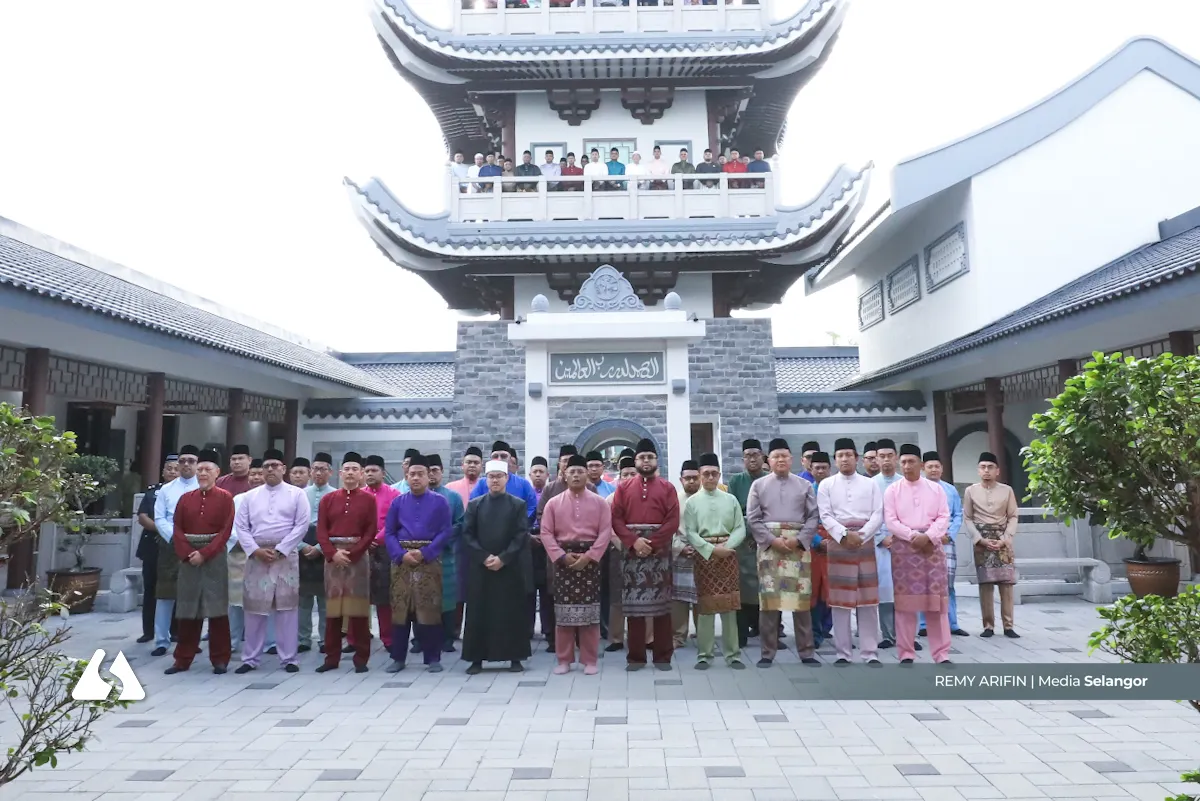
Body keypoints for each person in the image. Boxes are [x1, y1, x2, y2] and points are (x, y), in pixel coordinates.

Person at [233, 449, 309, 674]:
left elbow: (302, 524)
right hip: (257, 556)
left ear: (283, 469)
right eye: (266, 466)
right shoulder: (249, 496)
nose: (270, 470)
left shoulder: (297, 494)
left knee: (287, 608)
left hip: (285, 556)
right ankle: (250, 658)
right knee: (254, 608)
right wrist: (255, 550)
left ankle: (289, 659)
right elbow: (241, 527)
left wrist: (282, 549)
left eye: (275, 465)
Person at [747, 438, 820, 668]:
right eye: (776, 456)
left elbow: (813, 517)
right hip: (770, 549)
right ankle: (767, 652)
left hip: (797, 548)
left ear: (791, 459)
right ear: (768, 460)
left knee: (801, 601)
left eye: (784, 456)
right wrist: (772, 540)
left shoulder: (804, 485)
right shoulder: (758, 485)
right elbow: (753, 518)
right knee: (769, 602)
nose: (780, 460)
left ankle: (806, 652)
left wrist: (799, 540)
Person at [611, 438, 680, 670]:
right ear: (636, 461)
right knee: (634, 607)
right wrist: (633, 542)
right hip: (632, 554)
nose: (646, 461)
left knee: (662, 607)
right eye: (642, 457)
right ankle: (636, 657)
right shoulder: (623, 488)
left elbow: (672, 521)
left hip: (659, 552)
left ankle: (662, 657)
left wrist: (651, 542)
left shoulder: (667, 488)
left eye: (650, 457)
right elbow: (616, 519)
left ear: (656, 461)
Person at [540, 454, 612, 674]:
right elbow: (546, 533)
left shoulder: (600, 502)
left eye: (580, 471)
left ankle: (590, 660)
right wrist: (561, 556)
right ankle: (564, 660)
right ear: (565, 474)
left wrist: (590, 556)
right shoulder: (553, 503)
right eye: (572, 472)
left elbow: (605, 532)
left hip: (590, 561)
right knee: (563, 614)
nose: (577, 475)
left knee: (590, 613)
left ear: (587, 475)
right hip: (563, 561)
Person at [383, 453, 454, 673]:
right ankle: (398, 657)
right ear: (407, 475)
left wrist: (426, 552)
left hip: (429, 561)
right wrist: (399, 554)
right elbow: (389, 532)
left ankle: (432, 657)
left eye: (420, 474)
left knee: (429, 609)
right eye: (412, 474)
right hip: (402, 561)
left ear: (428, 476)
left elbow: (446, 532)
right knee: (400, 610)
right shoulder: (397, 502)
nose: (416, 478)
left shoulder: (440, 502)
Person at [165, 449, 234, 675]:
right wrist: (187, 553)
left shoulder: (225, 498)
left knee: (217, 609)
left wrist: (205, 553)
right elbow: (177, 528)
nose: (203, 473)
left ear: (217, 473)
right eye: (200, 469)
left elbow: (226, 530)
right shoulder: (185, 499)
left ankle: (220, 658)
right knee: (187, 609)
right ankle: (182, 658)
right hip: (188, 559)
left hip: (214, 557)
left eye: (207, 469)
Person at [816, 438, 884, 664]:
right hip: (839, 543)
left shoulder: (870, 484)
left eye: (848, 454)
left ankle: (869, 653)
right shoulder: (826, 485)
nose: (844, 459)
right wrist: (845, 535)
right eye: (840, 455)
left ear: (856, 457)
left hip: (864, 542)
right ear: (835, 460)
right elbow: (825, 515)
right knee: (840, 601)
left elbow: (878, 514)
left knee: (868, 601)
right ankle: (842, 654)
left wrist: (861, 535)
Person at [883, 444, 952, 664]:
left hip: (932, 548)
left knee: (936, 605)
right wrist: (913, 535)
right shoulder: (892, 490)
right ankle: (906, 653)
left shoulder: (936, 489)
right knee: (905, 605)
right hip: (905, 549)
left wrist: (929, 536)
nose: (906, 466)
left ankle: (941, 654)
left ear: (921, 465)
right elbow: (890, 520)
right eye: (902, 462)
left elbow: (944, 517)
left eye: (911, 461)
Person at [462, 459, 533, 673]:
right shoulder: (475, 505)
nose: (495, 480)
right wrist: (484, 557)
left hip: (509, 567)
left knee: (510, 612)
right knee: (478, 612)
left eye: (499, 477)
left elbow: (521, 535)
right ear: (486, 479)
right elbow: (467, 534)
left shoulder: (517, 505)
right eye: (491, 477)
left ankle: (515, 657)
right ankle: (476, 659)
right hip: (481, 568)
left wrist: (503, 558)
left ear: (506, 478)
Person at [684, 453, 747, 670]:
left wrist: (727, 547)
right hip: (705, 557)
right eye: (706, 474)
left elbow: (740, 527)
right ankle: (704, 655)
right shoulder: (692, 502)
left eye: (714, 473)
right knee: (706, 607)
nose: (710, 477)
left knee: (730, 606)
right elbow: (690, 533)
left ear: (719, 475)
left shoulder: (730, 499)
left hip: (728, 555)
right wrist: (711, 549)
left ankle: (733, 655)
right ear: (701, 475)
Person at [315, 452, 376, 673]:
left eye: (354, 469)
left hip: (358, 558)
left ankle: (361, 658)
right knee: (334, 609)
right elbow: (321, 531)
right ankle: (332, 658)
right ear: (340, 474)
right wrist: (332, 553)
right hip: (333, 559)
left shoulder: (369, 500)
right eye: (346, 469)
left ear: (361, 474)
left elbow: (371, 530)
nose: (350, 473)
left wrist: (354, 553)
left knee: (357, 608)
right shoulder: (328, 500)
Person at [963, 452, 1020, 639]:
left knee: (1007, 584)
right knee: (985, 585)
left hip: (1003, 539)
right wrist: (979, 539)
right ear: (978, 470)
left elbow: (1013, 516)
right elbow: (968, 518)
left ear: (998, 470)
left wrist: (1006, 538)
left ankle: (1008, 625)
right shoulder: (970, 491)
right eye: (983, 467)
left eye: (990, 467)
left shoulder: (1007, 490)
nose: (986, 471)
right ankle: (988, 626)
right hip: (982, 541)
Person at [151, 445, 200, 656]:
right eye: (183, 461)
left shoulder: (204, 487)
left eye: (191, 461)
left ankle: (190, 641)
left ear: (198, 464)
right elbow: (160, 517)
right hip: (170, 545)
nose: (186, 465)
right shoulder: (166, 490)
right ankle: (161, 640)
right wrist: (175, 538)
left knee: (193, 596)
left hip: (198, 545)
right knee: (165, 595)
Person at [726, 438, 769, 648]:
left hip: (768, 542)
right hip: (743, 544)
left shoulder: (770, 480)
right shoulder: (735, 482)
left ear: (763, 457)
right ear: (743, 459)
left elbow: (772, 514)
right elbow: (732, 514)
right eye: (748, 456)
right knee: (742, 590)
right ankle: (741, 635)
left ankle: (768, 634)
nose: (752, 459)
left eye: (756, 454)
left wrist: (760, 534)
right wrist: (749, 532)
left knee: (767, 589)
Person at [920, 452, 969, 637]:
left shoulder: (950, 490)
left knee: (947, 584)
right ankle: (923, 624)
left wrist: (950, 534)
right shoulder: (918, 488)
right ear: (924, 467)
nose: (934, 470)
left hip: (946, 541)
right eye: (930, 466)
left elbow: (958, 514)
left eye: (937, 466)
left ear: (942, 468)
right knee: (922, 583)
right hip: (924, 542)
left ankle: (952, 623)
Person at [135, 456, 179, 643]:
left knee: (176, 589)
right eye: (168, 468)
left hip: (176, 545)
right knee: (151, 588)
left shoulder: (187, 492)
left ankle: (175, 631)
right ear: (163, 472)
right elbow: (142, 516)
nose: (172, 472)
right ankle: (149, 631)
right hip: (153, 544)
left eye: (176, 469)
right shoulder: (153, 491)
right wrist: (161, 529)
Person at [426, 454, 465, 652]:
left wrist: (443, 540)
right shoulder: (416, 497)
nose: (432, 475)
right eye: (429, 470)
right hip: (422, 557)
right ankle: (422, 639)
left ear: (442, 472)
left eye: (435, 470)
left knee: (448, 597)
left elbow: (460, 523)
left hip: (447, 554)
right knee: (423, 597)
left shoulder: (452, 497)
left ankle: (448, 638)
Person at [226, 458, 265, 655]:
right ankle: (233, 640)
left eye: (260, 474)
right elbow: (231, 529)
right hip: (240, 554)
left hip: (267, 555)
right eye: (254, 474)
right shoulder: (238, 500)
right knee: (236, 602)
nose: (257, 478)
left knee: (265, 601)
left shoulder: (277, 498)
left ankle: (266, 642)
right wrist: (251, 546)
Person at [362, 455, 400, 653]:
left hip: (385, 549)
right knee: (359, 595)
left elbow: (392, 522)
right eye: (367, 471)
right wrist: (364, 542)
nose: (369, 474)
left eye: (373, 470)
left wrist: (376, 539)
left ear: (383, 473)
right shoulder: (359, 494)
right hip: (361, 550)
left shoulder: (394, 495)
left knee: (384, 597)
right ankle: (356, 638)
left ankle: (388, 639)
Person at [603, 453, 638, 652]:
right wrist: (624, 546)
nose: (629, 477)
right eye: (625, 474)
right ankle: (616, 638)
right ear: (619, 476)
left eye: (632, 473)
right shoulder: (610, 499)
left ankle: (646, 637)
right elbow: (608, 528)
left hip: (642, 551)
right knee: (618, 597)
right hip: (618, 552)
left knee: (644, 595)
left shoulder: (645, 497)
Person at [300, 452, 335, 653]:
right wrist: (301, 547)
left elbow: (336, 527)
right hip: (303, 547)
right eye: (315, 469)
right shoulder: (300, 494)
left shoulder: (335, 494)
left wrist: (321, 548)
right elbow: (292, 525)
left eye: (323, 469)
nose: (318, 473)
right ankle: (303, 639)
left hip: (326, 550)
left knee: (325, 600)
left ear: (330, 472)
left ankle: (325, 639)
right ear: (310, 472)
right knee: (302, 599)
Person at [872, 439, 901, 649]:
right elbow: (866, 516)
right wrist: (881, 538)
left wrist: (900, 537)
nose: (885, 460)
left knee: (906, 590)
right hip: (880, 544)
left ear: (896, 457)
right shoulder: (871, 484)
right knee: (885, 590)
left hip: (904, 544)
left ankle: (908, 635)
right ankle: (888, 635)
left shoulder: (905, 482)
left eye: (889, 455)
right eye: (881, 456)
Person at [671, 460, 702, 649]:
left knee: (702, 596)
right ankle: (678, 636)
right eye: (687, 478)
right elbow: (669, 529)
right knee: (679, 599)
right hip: (680, 552)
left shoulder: (708, 498)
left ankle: (703, 634)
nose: (691, 481)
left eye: (694, 478)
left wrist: (702, 547)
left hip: (703, 553)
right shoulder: (673, 500)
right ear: (681, 480)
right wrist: (679, 547)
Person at [806, 452, 834, 647]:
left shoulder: (837, 491)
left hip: (835, 545)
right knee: (813, 590)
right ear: (811, 470)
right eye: (817, 468)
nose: (821, 471)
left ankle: (828, 628)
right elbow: (802, 519)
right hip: (813, 547)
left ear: (830, 469)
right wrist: (817, 540)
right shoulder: (806, 491)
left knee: (833, 589)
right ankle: (815, 633)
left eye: (824, 467)